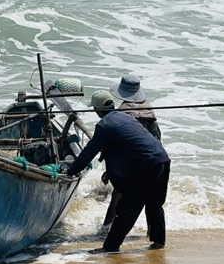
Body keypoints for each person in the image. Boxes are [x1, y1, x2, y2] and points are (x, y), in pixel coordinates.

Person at [64, 90, 170, 252]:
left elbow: (89, 152)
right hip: (162, 159)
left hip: (146, 165)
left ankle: (110, 247)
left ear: (97, 110)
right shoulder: (126, 117)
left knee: (127, 208)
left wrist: (71, 171)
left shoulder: (104, 125)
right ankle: (158, 242)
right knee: (154, 204)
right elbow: (126, 146)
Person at [102, 74, 162, 231]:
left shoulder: (122, 112)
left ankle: (105, 229)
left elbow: (117, 144)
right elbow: (156, 137)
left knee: (118, 195)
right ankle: (152, 233)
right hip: (155, 159)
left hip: (132, 162)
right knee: (151, 200)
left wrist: (110, 169)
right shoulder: (149, 109)